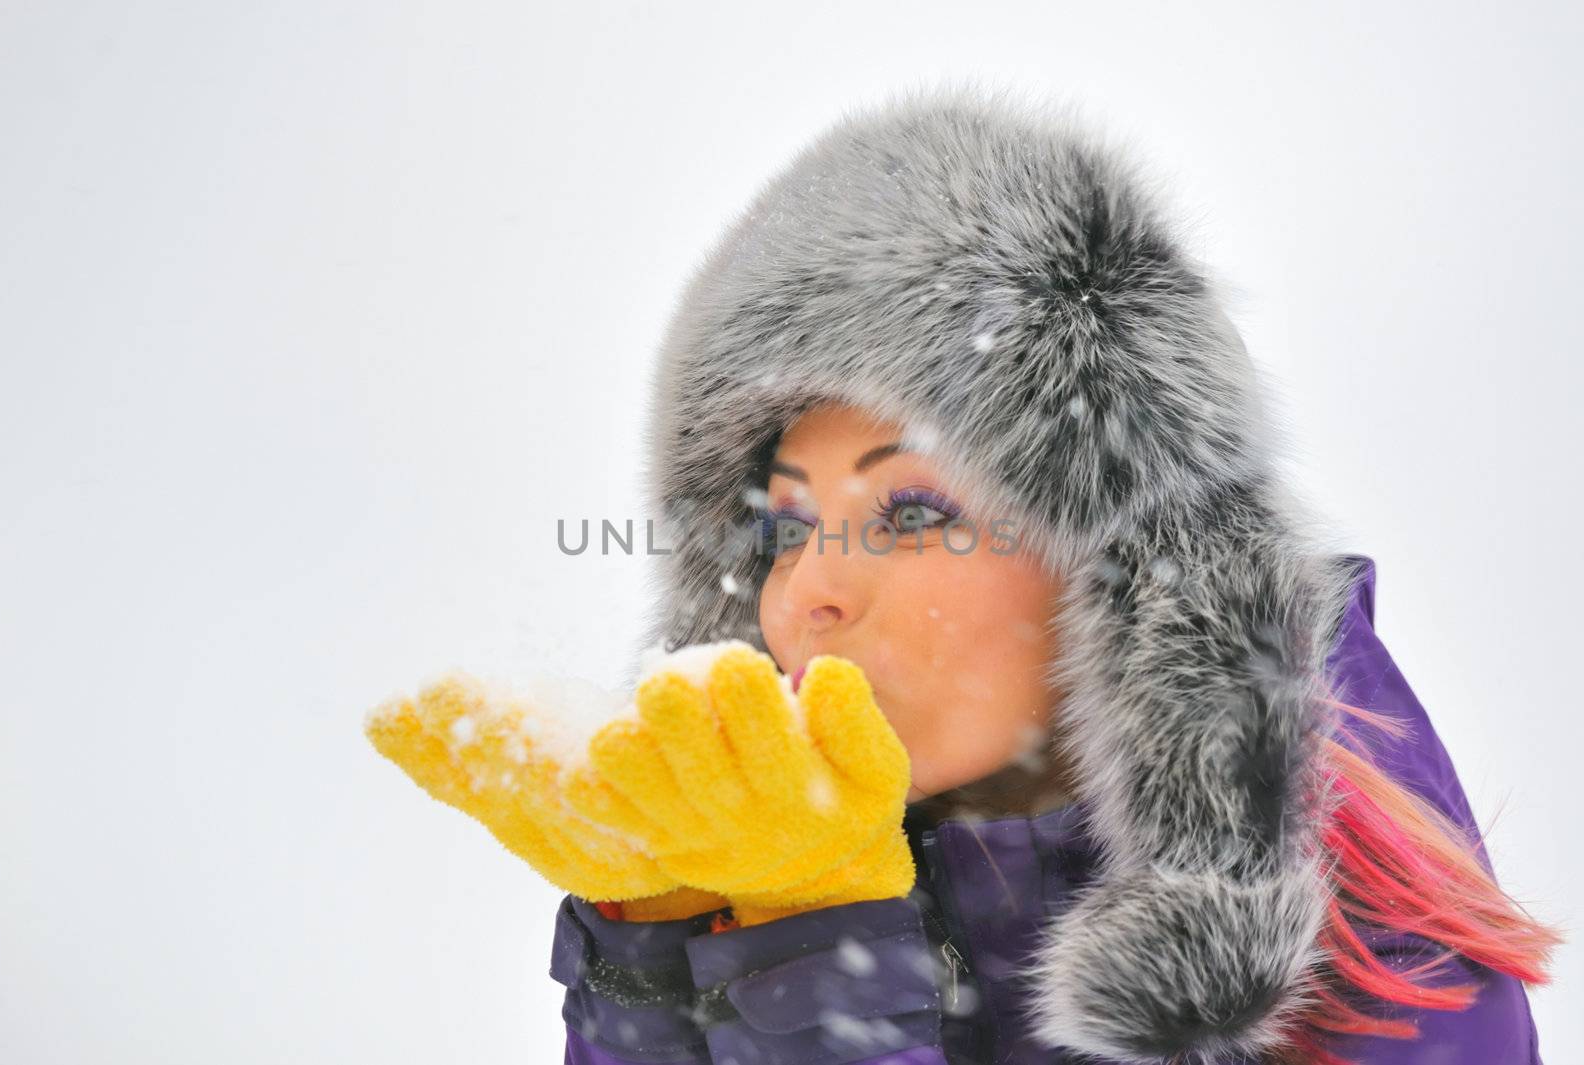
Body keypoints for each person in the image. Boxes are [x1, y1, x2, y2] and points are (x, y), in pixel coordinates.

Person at [540, 85, 1562, 1063]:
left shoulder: (1381, 976)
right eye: (783, 527)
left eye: (908, 511)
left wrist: (819, 969)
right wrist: (666, 947)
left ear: (1129, 579)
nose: (808, 593)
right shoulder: (751, 892)